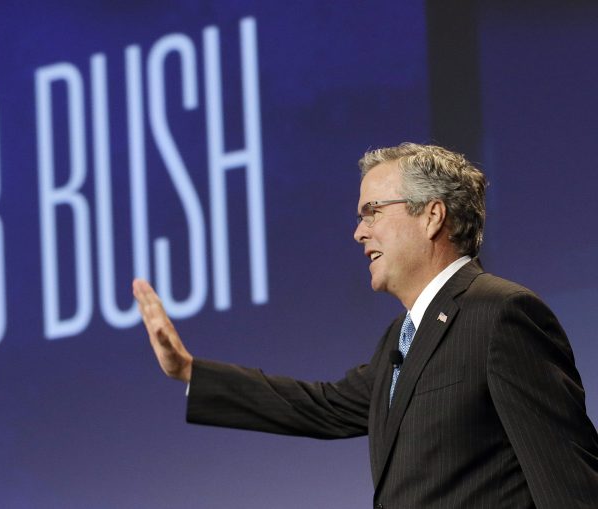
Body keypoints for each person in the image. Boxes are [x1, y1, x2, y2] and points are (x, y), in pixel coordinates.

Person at [132, 143, 598, 508]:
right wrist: (189, 371)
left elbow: (570, 483)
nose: (359, 232)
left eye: (373, 211)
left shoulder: (501, 315)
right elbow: (322, 407)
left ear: (432, 215)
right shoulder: (402, 337)